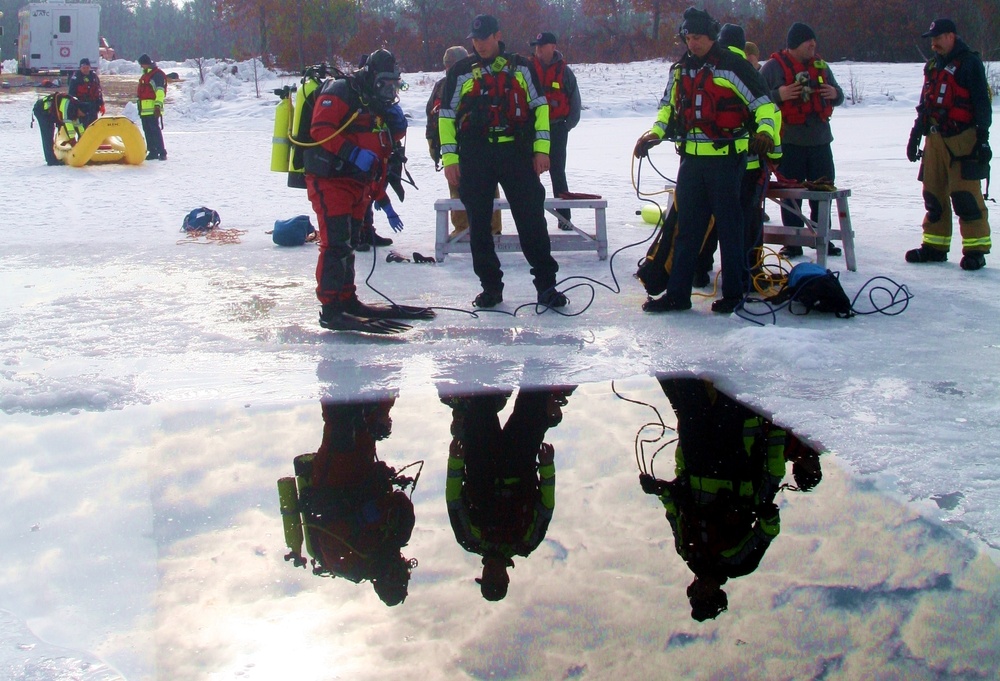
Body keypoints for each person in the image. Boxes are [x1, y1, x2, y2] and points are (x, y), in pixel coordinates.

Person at [634, 7, 779, 314]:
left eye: (698, 37)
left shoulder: (734, 67)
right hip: (691, 162)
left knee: (730, 229)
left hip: (727, 162)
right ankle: (677, 295)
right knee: (687, 230)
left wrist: (765, 132)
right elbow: (667, 108)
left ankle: (734, 294)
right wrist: (655, 133)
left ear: (712, 37)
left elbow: (765, 105)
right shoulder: (680, 70)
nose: (693, 43)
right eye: (688, 37)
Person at [439, 14, 567, 309]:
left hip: (516, 154)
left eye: (484, 38)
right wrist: (450, 158)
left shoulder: (521, 67)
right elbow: (446, 117)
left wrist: (542, 150)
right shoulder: (459, 71)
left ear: (497, 36)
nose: (479, 44)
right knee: (479, 227)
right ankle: (490, 288)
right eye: (475, 39)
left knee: (532, 222)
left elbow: (540, 108)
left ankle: (547, 286)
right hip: (475, 156)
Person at [304, 48, 434, 334]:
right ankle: (331, 307)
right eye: (384, 83)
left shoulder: (377, 104)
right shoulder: (341, 90)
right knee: (335, 243)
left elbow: (382, 154)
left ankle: (346, 298)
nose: (389, 91)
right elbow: (320, 130)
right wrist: (352, 154)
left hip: (358, 183)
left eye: (394, 84)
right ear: (371, 77)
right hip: (330, 179)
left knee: (348, 242)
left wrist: (381, 197)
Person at [639, 377, 788, 621]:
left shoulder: (685, 551)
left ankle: (690, 345)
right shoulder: (740, 564)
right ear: (718, 594)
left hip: (696, 460)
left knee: (688, 391)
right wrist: (767, 514)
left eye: (697, 595)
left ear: (692, 590)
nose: (702, 591)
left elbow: (674, 511)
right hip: (731, 465)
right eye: (707, 597)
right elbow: (767, 531)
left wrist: (659, 489)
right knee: (730, 393)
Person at [280, 397, 418, 606]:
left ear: (379, 581)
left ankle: (335, 376)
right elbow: (400, 502)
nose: (398, 567)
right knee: (370, 418)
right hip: (361, 470)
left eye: (394, 575)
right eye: (401, 573)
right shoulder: (396, 535)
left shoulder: (352, 565)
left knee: (341, 423)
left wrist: (362, 517)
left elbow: (330, 537)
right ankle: (380, 375)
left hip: (334, 481)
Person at [442, 386, 573, 600]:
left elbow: (454, 499)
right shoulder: (527, 542)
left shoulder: (468, 538)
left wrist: (455, 461)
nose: (492, 574)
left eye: (488, 578)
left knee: (480, 396)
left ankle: (484, 366)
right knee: (535, 394)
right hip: (519, 461)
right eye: (497, 579)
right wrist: (547, 467)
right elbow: (546, 506)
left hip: (481, 460)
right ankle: (538, 363)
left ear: (482, 575)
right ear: (506, 578)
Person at [694, 23, 781, 289]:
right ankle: (748, 272)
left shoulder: (708, 68)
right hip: (750, 163)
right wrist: (775, 157)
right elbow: (770, 114)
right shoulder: (749, 71)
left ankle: (699, 269)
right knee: (747, 221)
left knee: (710, 219)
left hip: (713, 161)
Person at [905, 18, 992, 271]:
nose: (933, 44)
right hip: (934, 139)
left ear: (951, 36)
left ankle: (976, 250)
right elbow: (925, 104)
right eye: (931, 39)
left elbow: (981, 103)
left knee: (965, 195)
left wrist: (983, 139)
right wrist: (915, 136)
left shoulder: (970, 63)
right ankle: (935, 246)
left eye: (938, 38)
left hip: (962, 140)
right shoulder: (932, 66)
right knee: (933, 194)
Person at [760, 22, 845, 259]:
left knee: (823, 190)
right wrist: (779, 95)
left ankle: (822, 238)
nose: (813, 45)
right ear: (795, 44)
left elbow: (840, 94)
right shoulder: (772, 69)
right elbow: (754, 97)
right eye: (808, 42)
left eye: (813, 42)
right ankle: (792, 241)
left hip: (819, 141)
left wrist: (835, 94)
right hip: (790, 141)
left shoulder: (822, 67)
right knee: (791, 193)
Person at [426, 45, 502, 238]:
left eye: (451, 64)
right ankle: (463, 229)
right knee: (457, 187)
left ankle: (491, 229)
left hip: (478, 145)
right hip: (455, 147)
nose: (449, 68)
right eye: (448, 65)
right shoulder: (443, 85)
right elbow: (433, 119)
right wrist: (435, 147)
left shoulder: (478, 80)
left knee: (487, 186)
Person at [530, 31, 582, 229]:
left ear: (553, 47)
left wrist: (565, 127)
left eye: (541, 46)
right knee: (530, 173)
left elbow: (575, 105)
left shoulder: (565, 73)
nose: (538, 50)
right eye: (536, 47)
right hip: (532, 131)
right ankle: (533, 218)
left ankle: (564, 218)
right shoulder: (528, 70)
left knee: (557, 173)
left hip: (557, 128)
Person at [31, 92, 85, 166]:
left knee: (50, 132)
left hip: (49, 111)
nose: (81, 115)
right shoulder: (68, 107)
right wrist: (72, 139)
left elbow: (78, 125)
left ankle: (51, 158)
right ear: (80, 110)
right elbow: (68, 124)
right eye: (82, 114)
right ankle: (51, 160)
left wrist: (83, 137)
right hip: (41, 110)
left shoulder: (75, 108)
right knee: (48, 134)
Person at [137, 54, 167, 160]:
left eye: (142, 64)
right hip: (144, 110)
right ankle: (152, 151)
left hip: (153, 109)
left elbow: (160, 91)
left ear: (146, 64)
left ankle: (162, 152)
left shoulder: (156, 75)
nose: (141, 67)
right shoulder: (146, 74)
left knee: (155, 131)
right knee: (148, 131)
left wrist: (158, 105)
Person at [68, 57, 105, 127]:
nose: (86, 70)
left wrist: (102, 104)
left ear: (90, 67)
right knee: (83, 128)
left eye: (87, 67)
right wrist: (76, 109)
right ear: (80, 68)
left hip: (93, 107)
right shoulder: (75, 78)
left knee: (93, 126)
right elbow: (71, 96)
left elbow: (98, 92)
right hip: (82, 107)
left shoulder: (94, 77)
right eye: (83, 68)